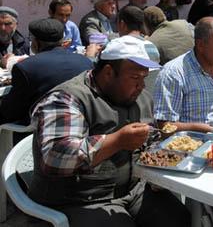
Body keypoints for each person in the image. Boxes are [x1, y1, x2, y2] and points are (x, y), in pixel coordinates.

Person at [28, 36, 190, 227]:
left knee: (179, 218)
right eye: (135, 78)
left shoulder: (141, 97)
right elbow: (55, 157)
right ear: (108, 73)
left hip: (131, 189)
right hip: (76, 199)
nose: (142, 86)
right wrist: (117, 141)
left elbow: (150, 142)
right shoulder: (67, 99)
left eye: (144, 78)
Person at [153, 17, 213, 132]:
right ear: (200, 45)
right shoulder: (174, 73)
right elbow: (165, 127)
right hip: (194, 146)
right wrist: (199, 129)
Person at [0, 18, 92, 125]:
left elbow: (11, 111)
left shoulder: (25, 67)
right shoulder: (84, 61)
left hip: (38, 126)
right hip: (80, 120)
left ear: (36, 42)